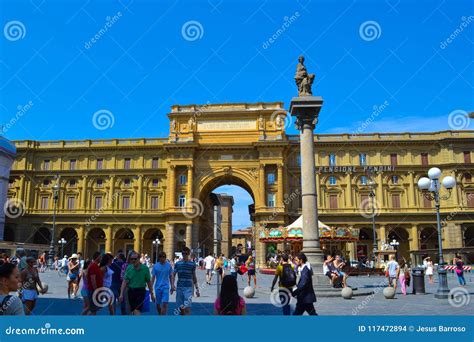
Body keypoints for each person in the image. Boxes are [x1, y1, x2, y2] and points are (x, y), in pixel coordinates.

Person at [173, 247, 199, 315]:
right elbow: (173, 274)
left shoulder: (192, 264)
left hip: (188, 288)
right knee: (181, 308)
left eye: (186, 253)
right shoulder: (178, 264)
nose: (184, 255)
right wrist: (172, 285)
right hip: (179, 288)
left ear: (189, 254)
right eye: (183, 253)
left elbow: (194, 277)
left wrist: (197, 289)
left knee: (187, 307)